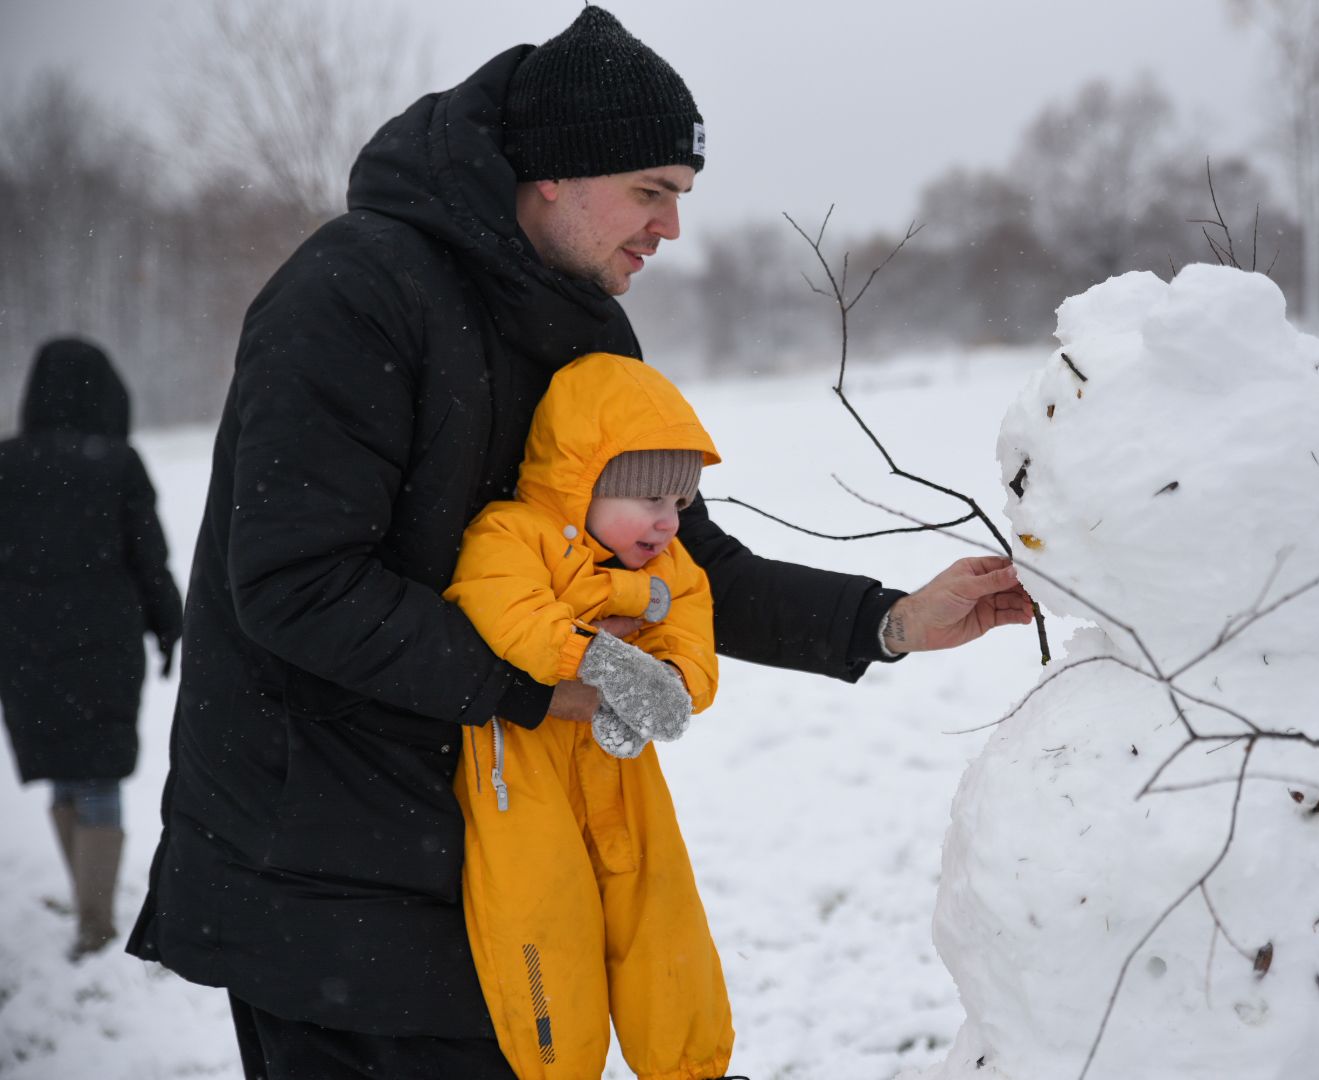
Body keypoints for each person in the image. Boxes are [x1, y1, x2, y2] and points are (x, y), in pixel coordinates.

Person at [129, 7, 1031, 1078]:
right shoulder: (352, 291)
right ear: (555, 173)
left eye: (681, 197)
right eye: (653, 191)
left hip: (500, 848)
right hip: (322, 868)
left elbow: (680, 559)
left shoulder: (584, 324)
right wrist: (546, 688)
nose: (672, 230)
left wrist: (885, 621)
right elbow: (299, 584)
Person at [448, 351, 731, 1080]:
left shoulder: (667, 571)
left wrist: (669, 680)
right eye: (649, 501)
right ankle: (556, 1067)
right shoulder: (510, 535)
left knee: (660, 918)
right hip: (526, 778)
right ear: (584, 483)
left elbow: (693, 633)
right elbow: (510, 614)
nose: (668, 524)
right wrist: (601, 663)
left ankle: (688, 1065)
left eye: (680, 505)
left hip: (624, 775)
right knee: (544, 923)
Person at [0, 336, 183, 960]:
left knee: (63, 771)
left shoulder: (6, 462)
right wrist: (169, 625)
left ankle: (87, 903)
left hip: (23, 645)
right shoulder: (117, 462)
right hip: (103, 640)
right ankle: (96, 921)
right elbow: (149, 558)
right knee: (99, 772)